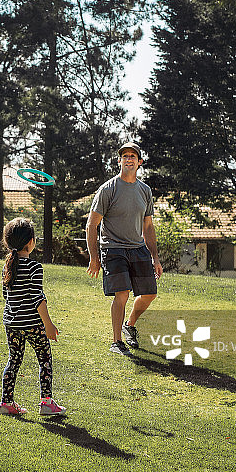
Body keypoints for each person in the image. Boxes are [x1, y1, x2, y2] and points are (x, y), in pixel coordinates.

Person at [86, 142, 163, 356]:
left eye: (133, 156)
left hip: (137, 247)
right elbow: (92, 224)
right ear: (119, 161)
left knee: (149, 293)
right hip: (113, 248)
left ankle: (130, 325)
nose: (129, 159)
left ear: (139, 162)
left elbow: (148, 226)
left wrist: (155, 258)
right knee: (122, 293)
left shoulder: (145, 191)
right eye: (125, 156)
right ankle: (117, 341)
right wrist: (94, 257)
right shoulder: (108, 189)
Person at [0, 218, 66, 416]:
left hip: (11, 324)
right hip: (33, 325)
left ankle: (6, 403)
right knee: (44, 359)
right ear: (31, 242)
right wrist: (48, 324)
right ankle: (46, 403)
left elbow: (6, 295)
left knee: (14, 360)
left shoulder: (7, 267)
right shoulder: (34, 268)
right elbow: (38, 298)